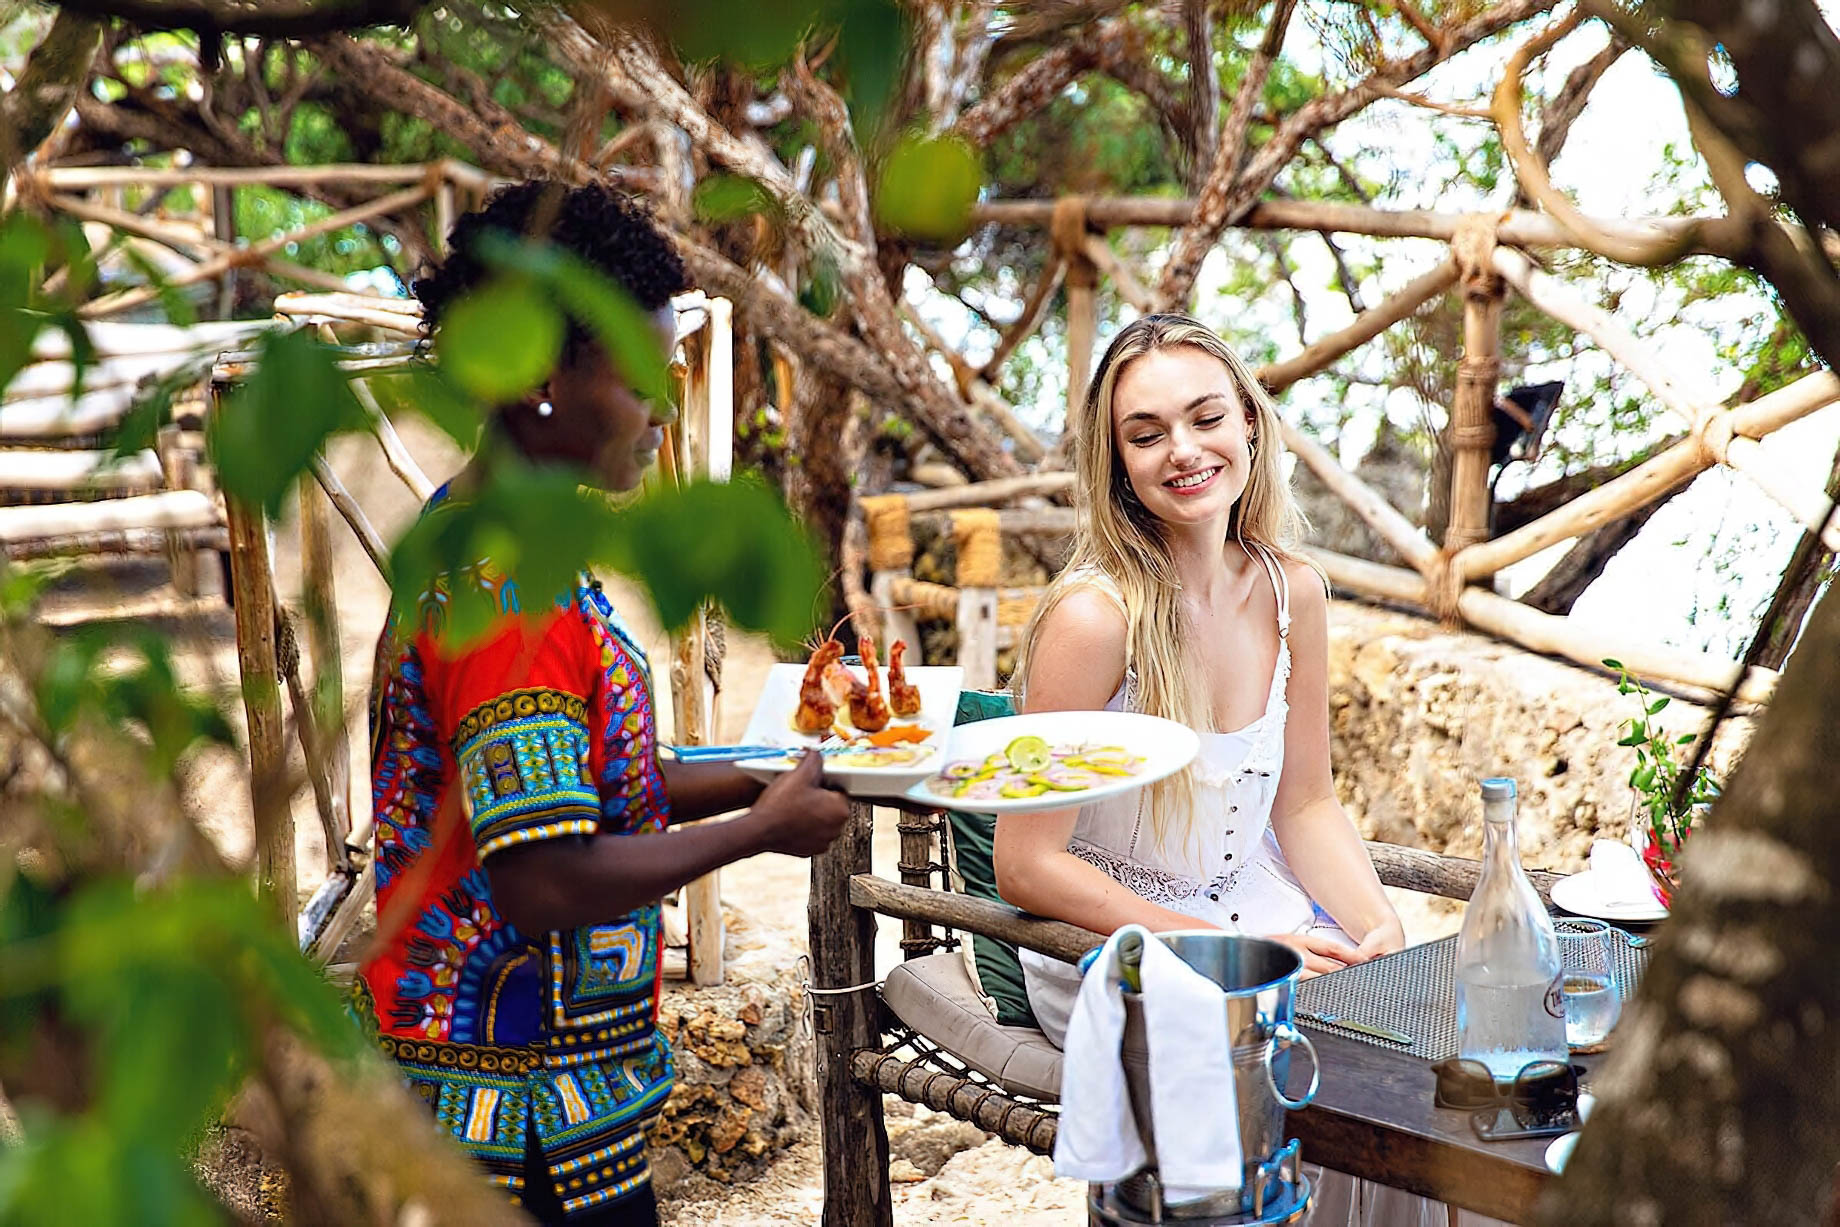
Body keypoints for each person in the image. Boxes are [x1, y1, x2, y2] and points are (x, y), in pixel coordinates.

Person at [354, 182, 851, 1227]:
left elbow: (604, 792)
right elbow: (540, 878)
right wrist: (761, 832)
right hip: (514, 1109)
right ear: (545, 373)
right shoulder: (511, 596)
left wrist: (781, 773)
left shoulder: (485, 537)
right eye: (647, 374)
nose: (667, 406)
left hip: (536, 1094)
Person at [996, 314, 1498, 1225]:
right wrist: (1214, 954)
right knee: (1295, 1068)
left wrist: (1376, 926)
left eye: (1205, 418)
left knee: (1424, 1072)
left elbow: (1306, 802)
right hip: (1122, 945)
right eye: (1145, 435)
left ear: (1250, 426)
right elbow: (1026, 863)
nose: (1182, 450)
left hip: (1259, 912)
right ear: (1116, 464)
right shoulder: (1093, 619)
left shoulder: (1291, 589)